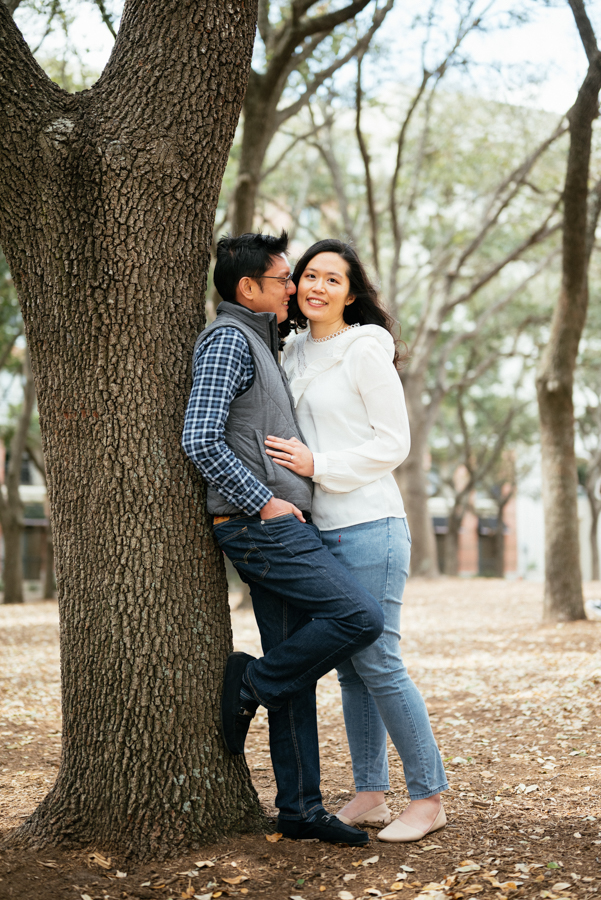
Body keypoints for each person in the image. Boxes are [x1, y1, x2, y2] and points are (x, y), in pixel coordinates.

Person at [181, 231, 385, 846]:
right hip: (260, 527)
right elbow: (199, 437)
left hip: (277, 525)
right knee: (360, 617)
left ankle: (298, 809)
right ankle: (252, 683)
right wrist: (262, 500)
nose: (294, 287)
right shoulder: (227, 341)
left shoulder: (266, 342)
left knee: (299, 667)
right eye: (282, 279)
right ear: (249, 289)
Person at [264, 239, 449, 843]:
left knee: (379, 662)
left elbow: (394, 443)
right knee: (350, 671)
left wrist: (318, 464)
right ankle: (370, 791)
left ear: (352, 292)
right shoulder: (290, 350)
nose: (316, 287)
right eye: (308, 275)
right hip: (318, 531)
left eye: (332, 280)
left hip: (371, 525)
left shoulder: (365, 348)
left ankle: (428, 797)